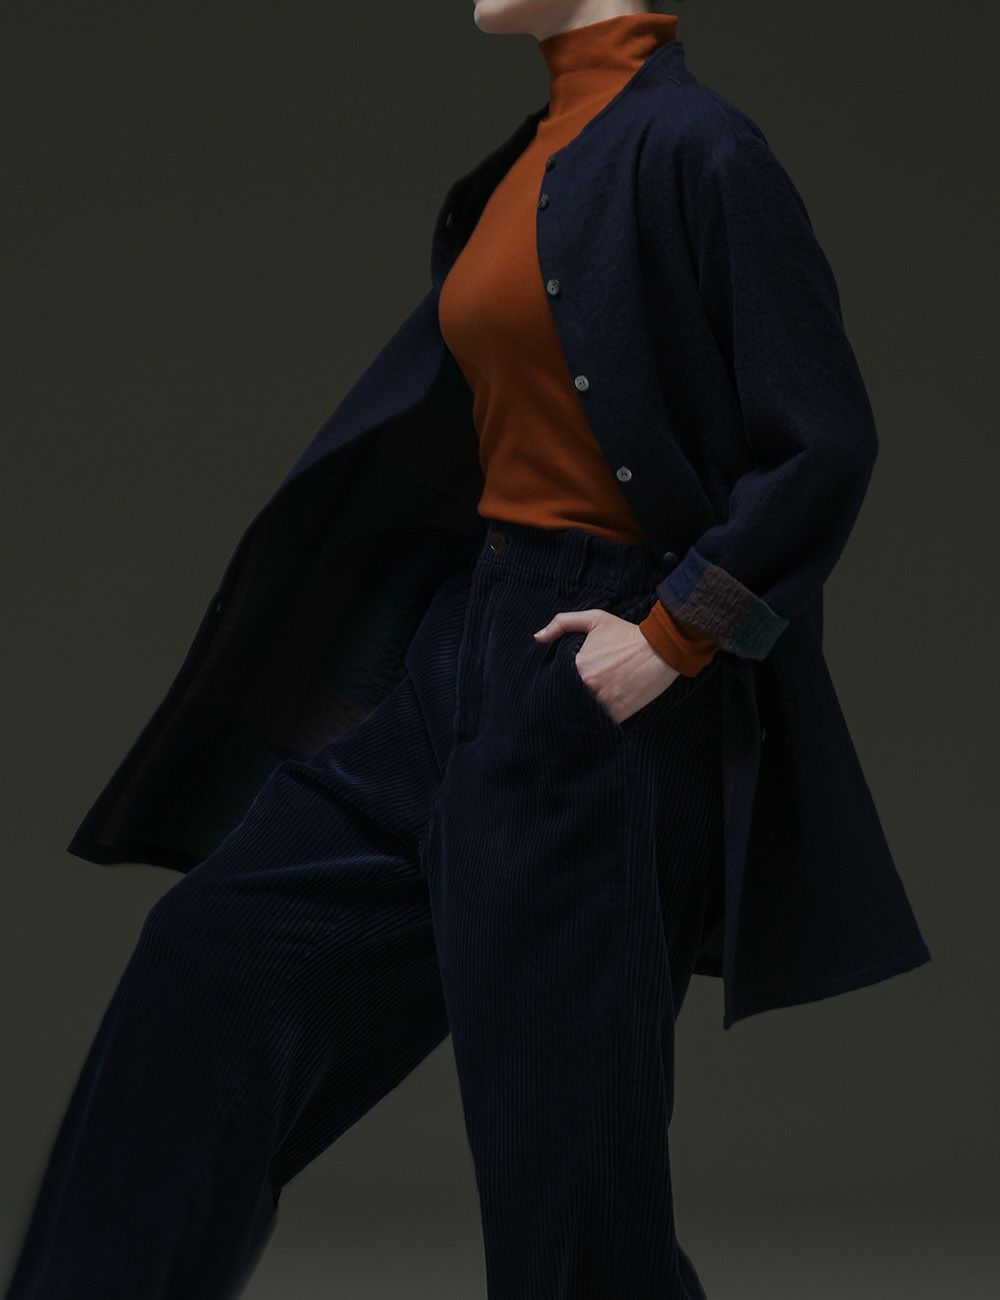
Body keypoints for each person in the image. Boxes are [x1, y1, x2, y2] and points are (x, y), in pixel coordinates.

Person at [4, 3, 932, 1298]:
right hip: (465, 651)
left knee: (567, 1181)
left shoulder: (701, 149)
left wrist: (673, 637)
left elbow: (821, 440)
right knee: (208, 972)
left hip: (590, 684)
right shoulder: (538, 146)